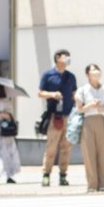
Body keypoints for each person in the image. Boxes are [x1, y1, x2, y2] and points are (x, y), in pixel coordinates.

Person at [38, 49, 77, 187]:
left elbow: (74, 93)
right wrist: (52, 94)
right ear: (57, 58)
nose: (67, 59)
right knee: (51, 148)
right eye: (65, 56)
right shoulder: (48, 75)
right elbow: (40, 93)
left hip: (69, 115)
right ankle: (46, 174)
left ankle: (63, 175)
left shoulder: (71, 77)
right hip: (55, 116)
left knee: (66, 147)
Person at [75, 64, 104, 192]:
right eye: (93, 70)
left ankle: (102, 184)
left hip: (102, 120)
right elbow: (79, 109)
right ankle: (92, 184)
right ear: (87, 75)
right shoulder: (82, 90)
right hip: (88, 122)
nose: (96, 72)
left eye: (97, 69)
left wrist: (100, 108)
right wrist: (91, 105)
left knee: (102, 153)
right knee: (89, 154)